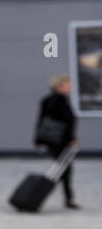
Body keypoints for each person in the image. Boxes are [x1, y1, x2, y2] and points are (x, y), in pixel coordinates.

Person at [34, 74, 79, 209]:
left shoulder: (49, 100)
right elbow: (66, 122)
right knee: (62, 170)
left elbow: (41, 121)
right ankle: (38, 194)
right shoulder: (59, 101)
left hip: (53, 140)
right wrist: (71, 138)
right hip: (60, 141)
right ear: (59, 86)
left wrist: (38, 139)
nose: (69, 88)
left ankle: (67, 198)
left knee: (61, 169)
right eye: (67, 85)